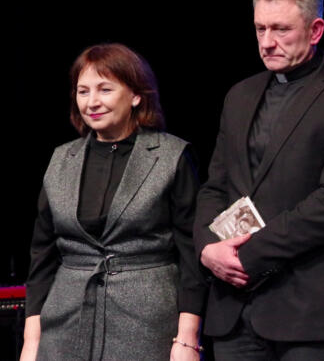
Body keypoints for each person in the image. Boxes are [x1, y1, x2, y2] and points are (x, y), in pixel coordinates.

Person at [193, 0, 324, 361]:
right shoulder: (240, 95)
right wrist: (208, 248)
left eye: (281, 29)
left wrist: (246, 254)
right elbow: (216, 186)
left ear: (316, 30)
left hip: (308, 310)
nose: (267, 42)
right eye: (260, 29)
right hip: (234, 310)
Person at [20, 44, 207, 361]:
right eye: (83, 91)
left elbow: (191, 253)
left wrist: (187, 338)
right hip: (65, 324)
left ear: (136, 95)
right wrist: (31, 341)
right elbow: (42, 255)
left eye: (105, 89)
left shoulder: (171, 155)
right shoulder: (61, 159)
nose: (91, 102)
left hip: (146, 323)